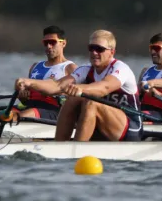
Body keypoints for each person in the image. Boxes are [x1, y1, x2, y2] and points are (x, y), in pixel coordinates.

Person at [14, 30, 143, 141]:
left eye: (99, 49)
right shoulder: (85, 69)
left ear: (112, 52)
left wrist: (80, 88)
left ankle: (77, 148)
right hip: (102, 126)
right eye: (91, 48)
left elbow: (104, 88)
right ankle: (59, 145)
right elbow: (57, 86)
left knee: (91, 103)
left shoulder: (120, 68)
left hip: (130, 127)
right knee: (72, 99)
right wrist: (30, 83)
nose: (94, 52)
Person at [0, 25, 77, 122]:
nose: (49, 46)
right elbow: (26, 99)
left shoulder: (70, 68)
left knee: (24, 115)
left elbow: (76, 99)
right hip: (31, 106)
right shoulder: (35, 66)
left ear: (63, 43)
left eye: (53, 42)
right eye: (46, 43)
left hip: (54, 110)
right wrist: (22, 96)